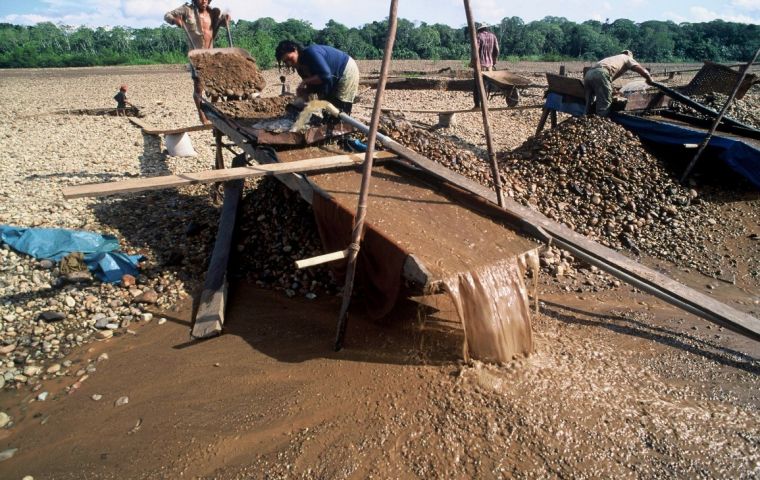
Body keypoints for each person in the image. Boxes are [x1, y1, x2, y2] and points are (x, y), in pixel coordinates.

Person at [164, 0, 231, 124]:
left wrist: (226, 19)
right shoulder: (186, 10)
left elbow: (223, 22)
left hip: (211, 55)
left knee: (217, 87)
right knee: (199, 87)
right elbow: (167, 15)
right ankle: (202, 116)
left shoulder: (214, 12)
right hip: (196, 55)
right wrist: (175, 20)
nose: (204, 1)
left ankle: (212, 111)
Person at [275, 40, 360, 115]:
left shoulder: (310, 53)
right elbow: (315, 85)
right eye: (286, 62)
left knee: (341, 107)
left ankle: (344, 127)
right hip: (331, 77)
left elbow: (325, 76)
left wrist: (304, 82)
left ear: (295, 50)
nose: (289, 64)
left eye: (289, 58)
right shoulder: (300, 68)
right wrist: (304, 94)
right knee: (328, 109)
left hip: (345, 70)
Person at [584, 50, 653, 117]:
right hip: (600, 73)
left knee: (589, 102)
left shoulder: (614, 58)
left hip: (589, 74)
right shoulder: (627, 58)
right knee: (604, 104)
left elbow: (607, 80)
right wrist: (649, 79)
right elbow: (641, 70)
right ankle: (602, 120)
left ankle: (585, 118)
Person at [473, 23, 499, 108]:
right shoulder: (493, 36)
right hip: (489, 66)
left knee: (477, 86)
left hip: (480, 65)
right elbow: (497, 50)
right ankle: (485, 104)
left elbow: (475, 50)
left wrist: (472, 62)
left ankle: (477, 105)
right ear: (486, 28)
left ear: (479, 29)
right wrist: (493, 61)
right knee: (486, 85)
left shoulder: (478, 36)